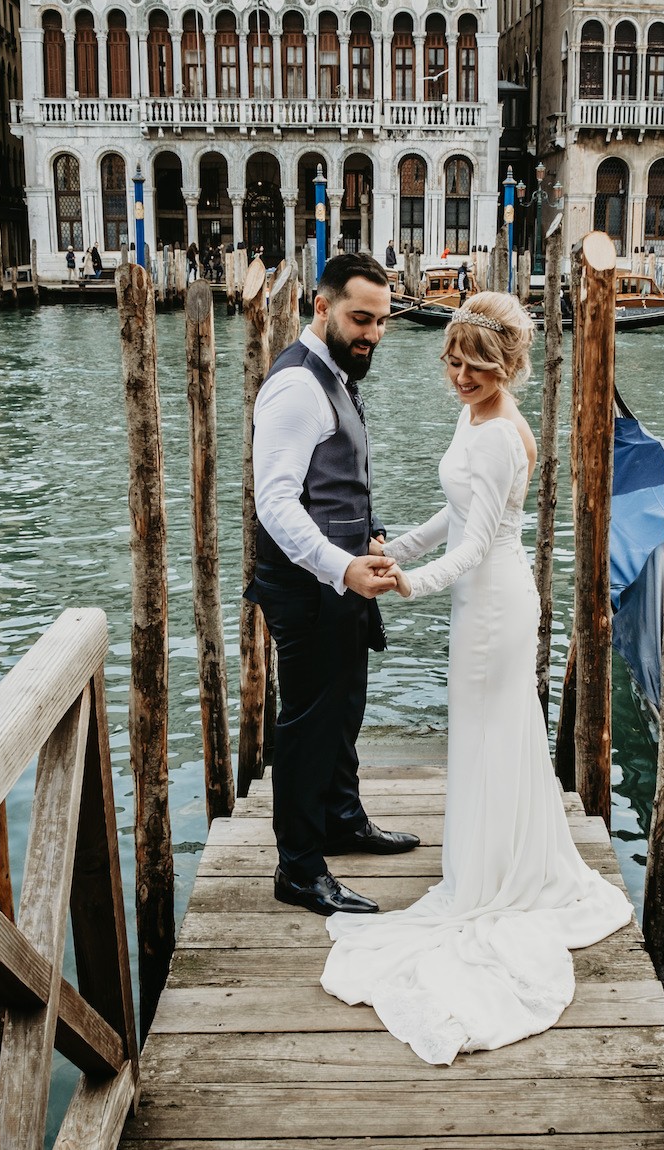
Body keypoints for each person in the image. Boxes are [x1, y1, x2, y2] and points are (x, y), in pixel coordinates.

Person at [320, 291, 633, 1065]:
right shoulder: (476, 418)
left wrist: (406, 585)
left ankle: (495, 875)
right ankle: (486, 858)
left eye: (476, 365)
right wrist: (399, 543)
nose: (460, 375)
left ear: (508, 366)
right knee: (486, 734)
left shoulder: (501, 438)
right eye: (452, 360)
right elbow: (453, 515)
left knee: (493, 732)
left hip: (492, 604)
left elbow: (477, 544)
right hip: (477, 596)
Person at [247, 252, 418, 919]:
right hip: (309, 587)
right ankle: (298, 866)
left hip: (343, 583)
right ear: (321, 308)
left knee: (344, 706)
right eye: (360, 318)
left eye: (381, 320)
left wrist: (368, 537)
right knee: (308, 724)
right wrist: (340, 564)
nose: (372, 332)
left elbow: (341, 480)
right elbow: (277, 502)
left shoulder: (337, 372)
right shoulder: (295, 387)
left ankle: (342, 819)